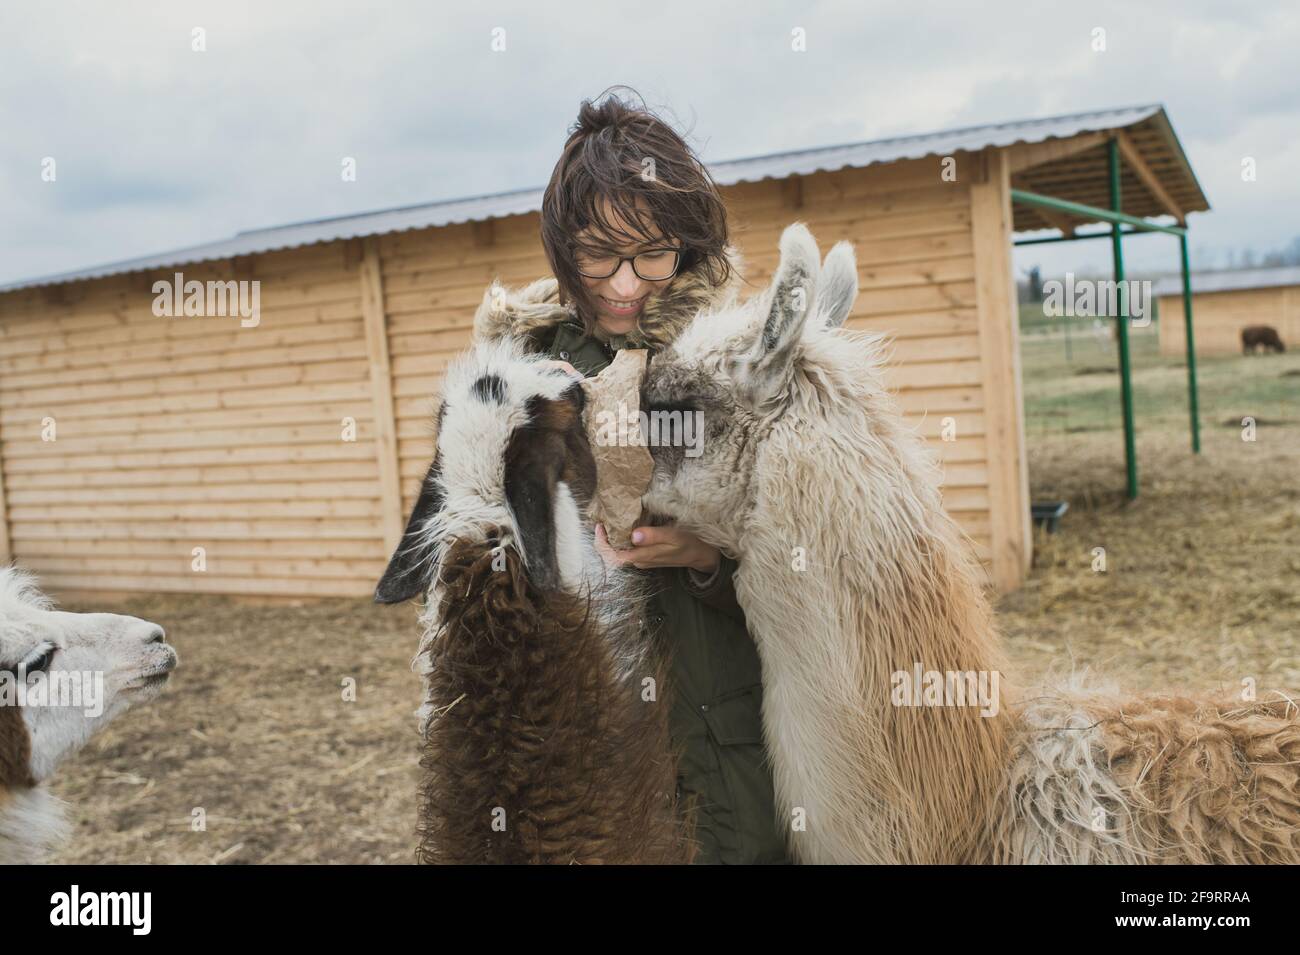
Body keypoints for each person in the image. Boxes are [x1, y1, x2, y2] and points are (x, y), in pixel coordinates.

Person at [472, 90, 789, 864]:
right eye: (599, 253)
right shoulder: (523, 376)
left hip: (725, 729)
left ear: (689, 246)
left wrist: (707, 560)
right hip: (580, 731)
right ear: (562, 249)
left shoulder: (737, 361)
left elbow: (810, 553)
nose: (624, 282)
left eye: (653, 252)